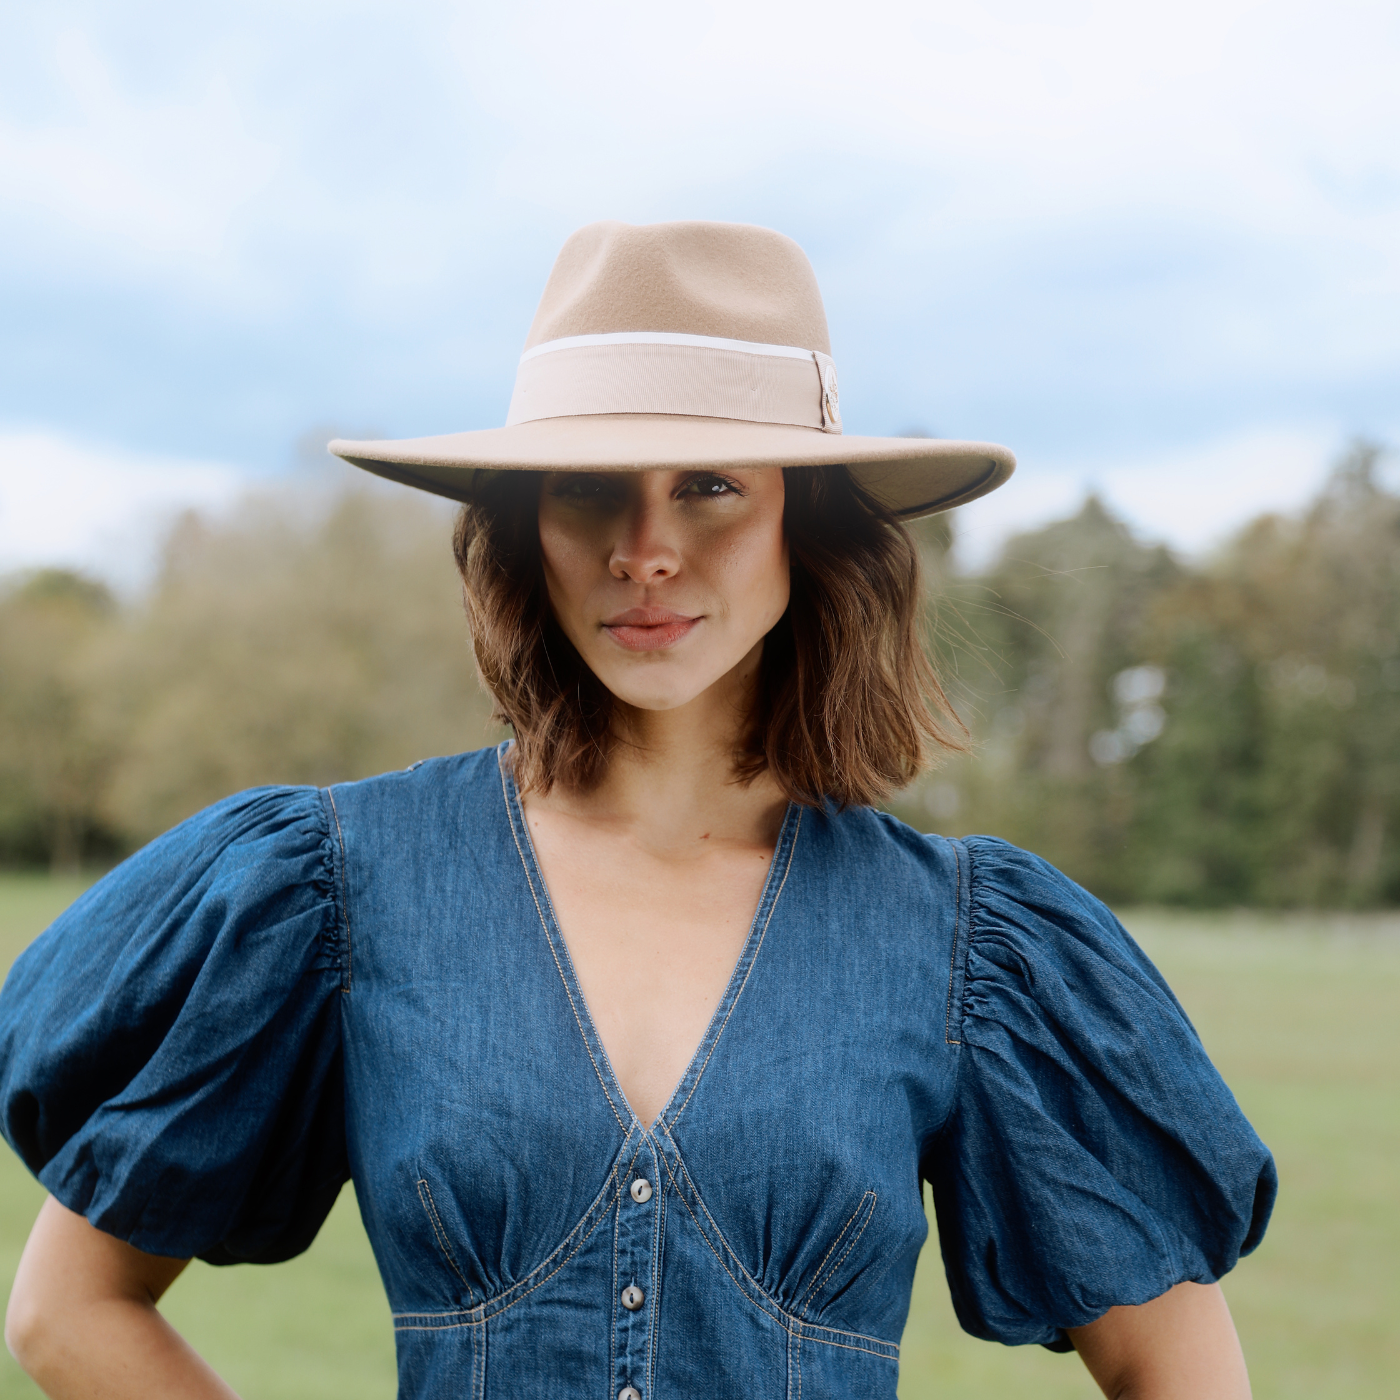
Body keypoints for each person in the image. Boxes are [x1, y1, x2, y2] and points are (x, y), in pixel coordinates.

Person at [0, 221, 1274, 1400]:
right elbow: (69, 1310)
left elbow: (1182, 1367)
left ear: (803, 521)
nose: (644, 546)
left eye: (710, 484)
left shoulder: (962, 939)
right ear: (523, 524)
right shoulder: (331, 884)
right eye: (587, 485)